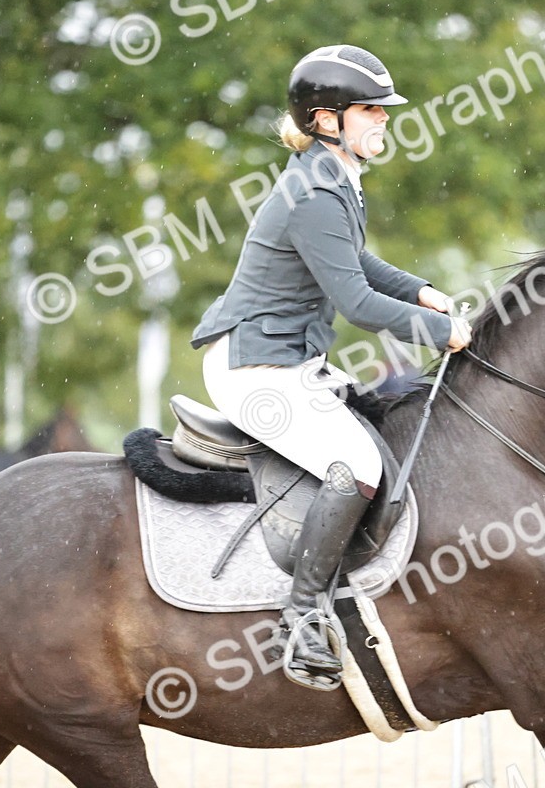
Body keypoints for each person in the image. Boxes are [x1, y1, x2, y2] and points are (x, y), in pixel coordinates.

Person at [190, 45, 472, 689]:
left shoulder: (332, 176)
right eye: (370, 110)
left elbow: (358, 265)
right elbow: (354, 302)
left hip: (287, 361)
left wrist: (420, 288)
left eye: (382, 109)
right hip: (255, 370)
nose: (383, 120)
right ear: (326, 119)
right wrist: (438, 332)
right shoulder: (315, 192)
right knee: (360, 467)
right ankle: (302, 616)